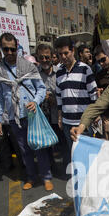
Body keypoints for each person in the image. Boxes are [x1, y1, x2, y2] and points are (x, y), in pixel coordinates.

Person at [0, 32, 54, 191]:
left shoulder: (28, 66)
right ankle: (31, 177)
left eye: (12, 49)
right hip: (14, 118)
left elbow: (41, 88)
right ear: (1, 49)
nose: (10, 53)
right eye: (6, 49)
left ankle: (46, 177)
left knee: (39, 146)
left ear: (17, 47)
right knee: (24, 150)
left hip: (32, 115)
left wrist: (35, 101)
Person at [55, 36, 98, 167]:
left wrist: (94, 115)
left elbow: (93, 94)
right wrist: (60, 117)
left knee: (86, 155)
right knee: (74, 154)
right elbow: (59, 97)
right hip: (67, 123)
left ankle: (90, 182)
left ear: (72, 51)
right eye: (60, 54)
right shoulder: (59, 72)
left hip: (83, 124)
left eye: (66, 53)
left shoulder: (85, 69)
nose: (63, 57)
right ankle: (79, 181)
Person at [36, 43, 67, 173]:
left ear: (52, 57)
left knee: (63, 144)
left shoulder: (60, 72)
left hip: (59, 116)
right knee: (46, 144)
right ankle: (51, 167)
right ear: (37, 58)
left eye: (47, 57)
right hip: (43, 117)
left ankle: (67, 168)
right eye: (41, 57)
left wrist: (56, 98)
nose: (44, 60)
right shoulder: (35, 74)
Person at [93, 44, 109, 140]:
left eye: (103, 60)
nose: (101, 64)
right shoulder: (99, 76)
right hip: (108, 118)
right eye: (99, 62)